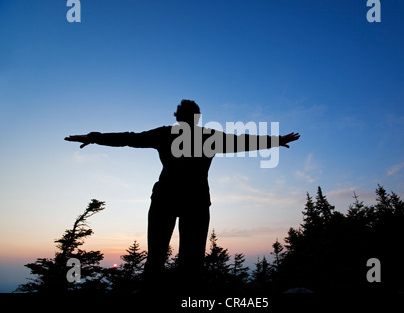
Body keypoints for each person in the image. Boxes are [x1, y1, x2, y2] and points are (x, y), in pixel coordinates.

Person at [65, 99, 300, 293]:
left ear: (177, 116)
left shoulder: (166, 134)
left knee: (159, 257)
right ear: (196, 118)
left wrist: (93, 137)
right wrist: (276, 141)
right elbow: (243, 142)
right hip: (192, 202)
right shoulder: (208, 137)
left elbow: (129, 138)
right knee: (189, 261)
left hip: (168, 199)